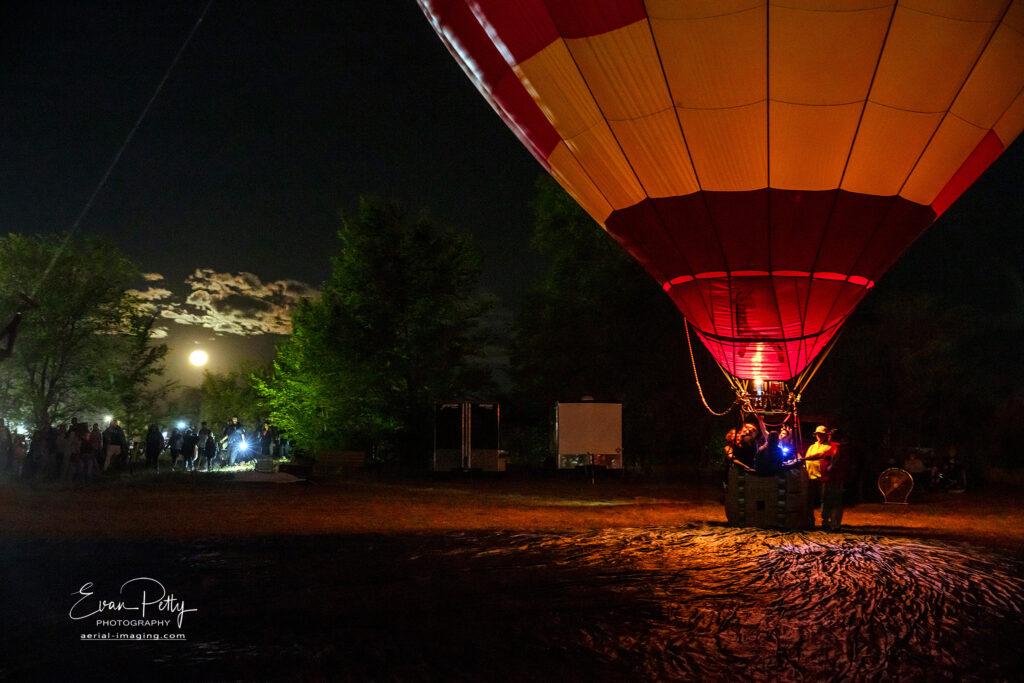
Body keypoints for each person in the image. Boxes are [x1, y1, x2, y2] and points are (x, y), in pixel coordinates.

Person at [821, 428, 849, 531]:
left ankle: (834, 524)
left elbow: (836, 455)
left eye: (829, 435)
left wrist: (831, 465)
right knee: (830, 500)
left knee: (833, 500)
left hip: (833, 479)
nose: (828, 436)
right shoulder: (833, 446)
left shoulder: (836, 446)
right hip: (829, 478)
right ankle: (830, 523)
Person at [804, 425, 832, 517]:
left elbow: (819, 455)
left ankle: (825, 520)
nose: (819, 436)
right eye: (817, 434)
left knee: (824, 499)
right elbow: (807, 459)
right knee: (809, 499)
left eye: (821, 434)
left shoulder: (828, 446)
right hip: (810, 477)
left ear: (826, 435)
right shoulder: (812, 446)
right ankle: (809, 519)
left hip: (822, 477)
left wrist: (803, 459)